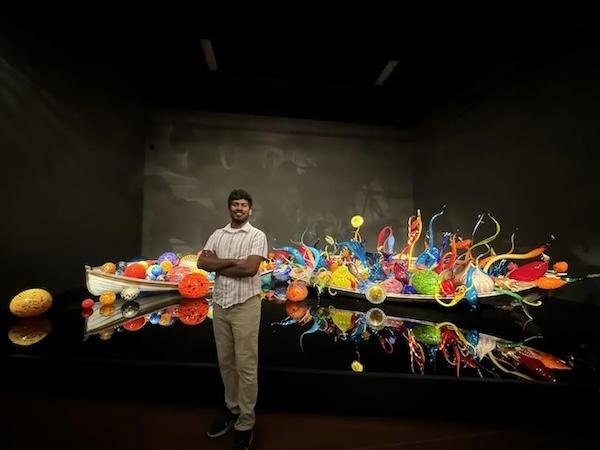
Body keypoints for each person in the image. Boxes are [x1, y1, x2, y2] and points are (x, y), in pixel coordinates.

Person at [197, 189, 268, 450]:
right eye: (235, 204)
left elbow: (250, 269)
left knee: (246, 365)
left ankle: (246, 423)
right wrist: (230, 262)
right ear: (229, 208)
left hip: (245, 306)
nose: (239, 208)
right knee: (226, 362)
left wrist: (219, 263)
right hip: (221, 305)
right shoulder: (218, 234)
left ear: (250, 210)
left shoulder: (257, 236)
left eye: (243, 205)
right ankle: (233, 410)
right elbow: (202, 263)